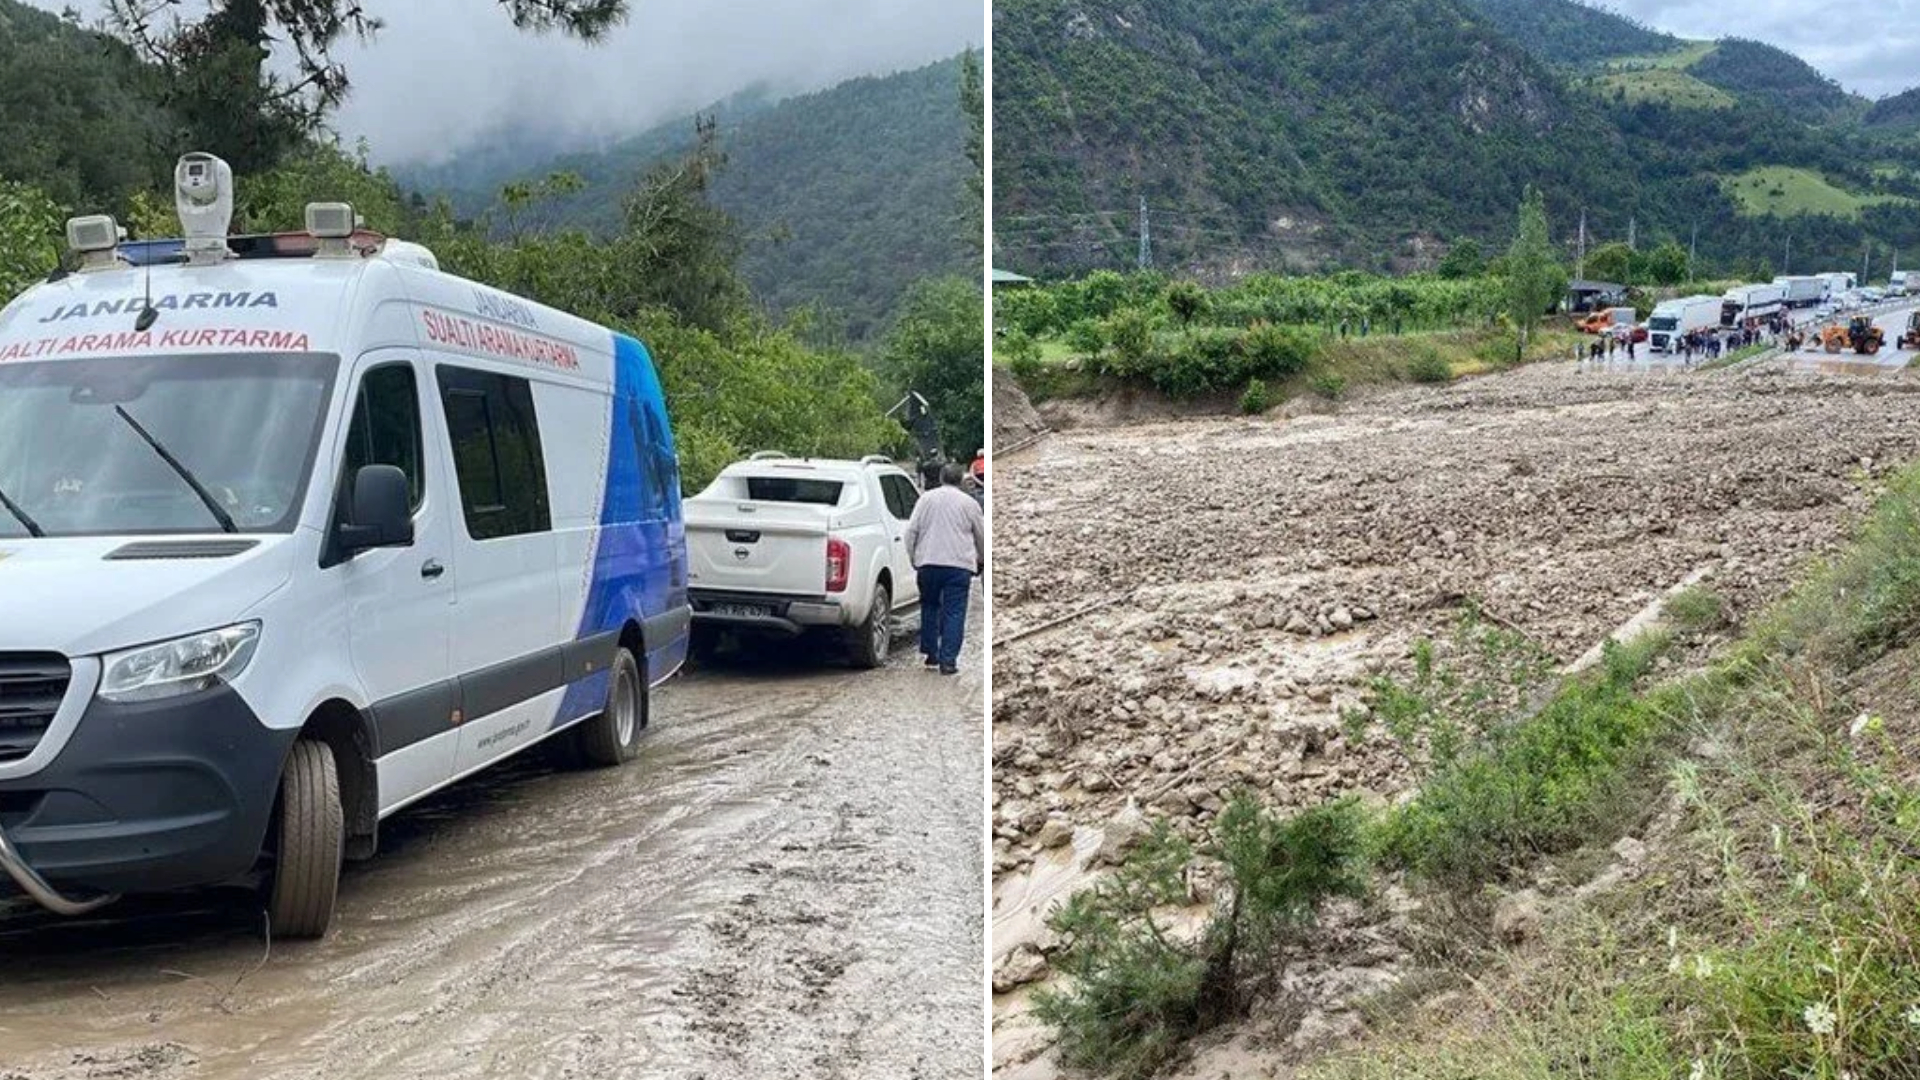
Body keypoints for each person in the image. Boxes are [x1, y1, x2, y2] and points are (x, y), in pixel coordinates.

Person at [904, 463, 986, 675]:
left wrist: (913, 557)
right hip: (958, 567)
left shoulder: (925, 499)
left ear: (941, 478)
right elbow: (981, 535)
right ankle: (948, 661)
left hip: (928, 563)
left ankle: (931, 654)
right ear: (961, 480)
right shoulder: (970, 504)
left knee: (929, 606)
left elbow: (911, 531)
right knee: (955, 612)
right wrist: (982, 560)